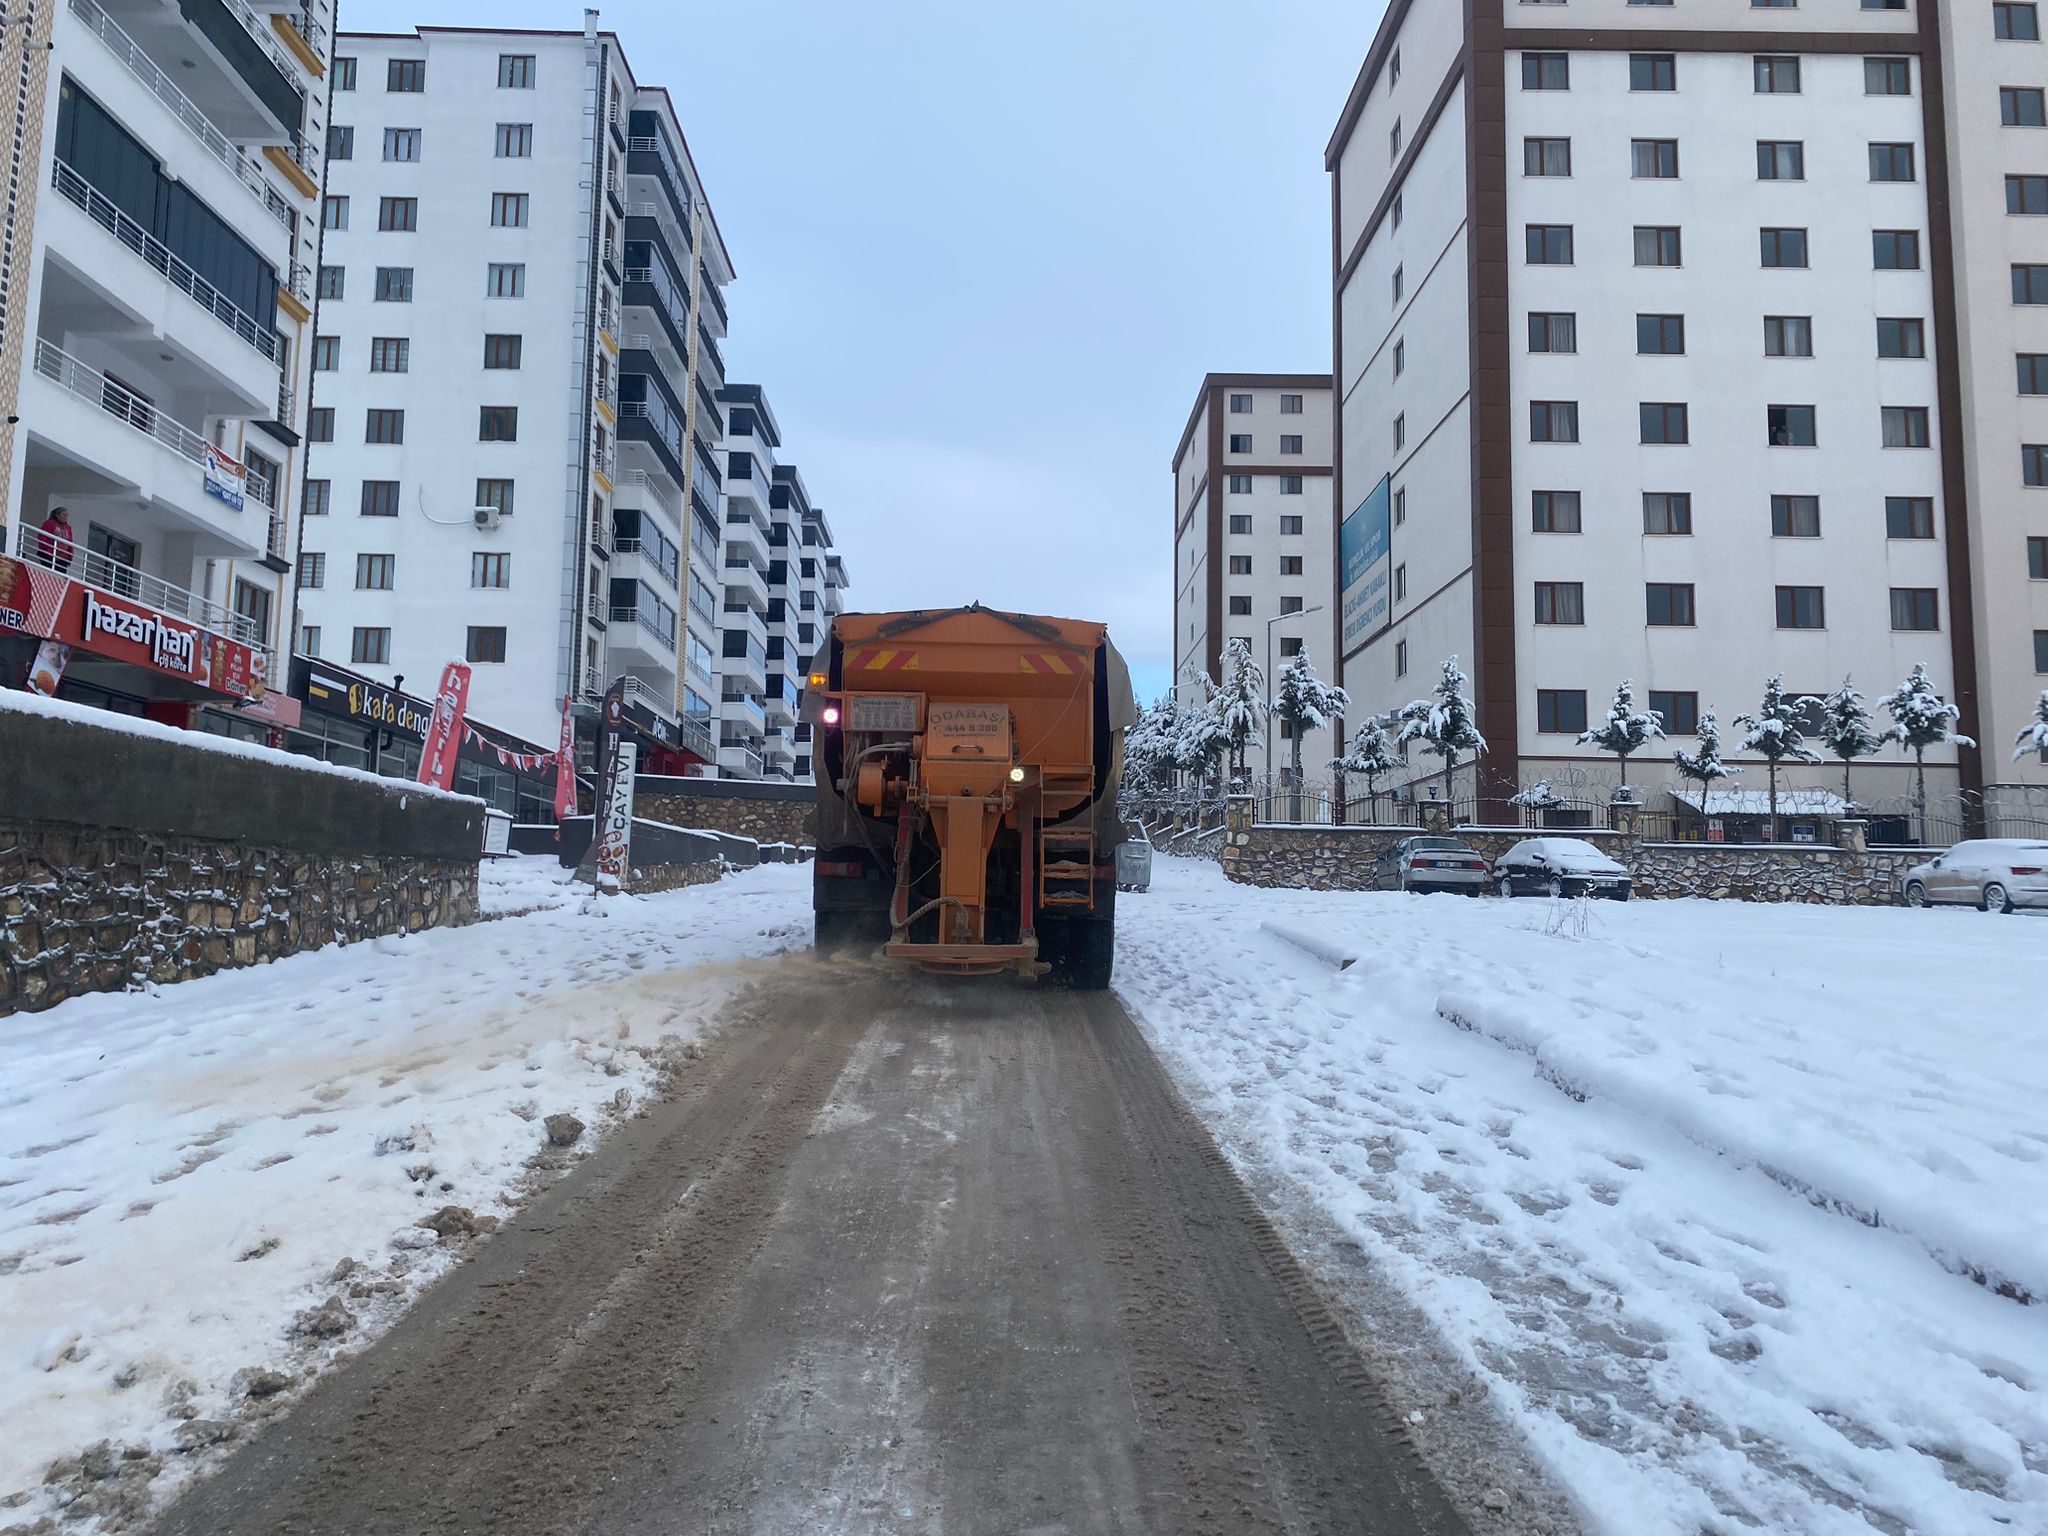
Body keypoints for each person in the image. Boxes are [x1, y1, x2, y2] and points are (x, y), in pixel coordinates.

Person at [37, 506, 74, 571]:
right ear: (57, 514)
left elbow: (70, 542)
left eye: (67, 515)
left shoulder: (68, 528)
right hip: (49, 556)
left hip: (63, 559)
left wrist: (70, 556)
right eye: (63, 514)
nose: (65, 517)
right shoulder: (49, 523)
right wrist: (46, 550)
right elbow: (43, 536)